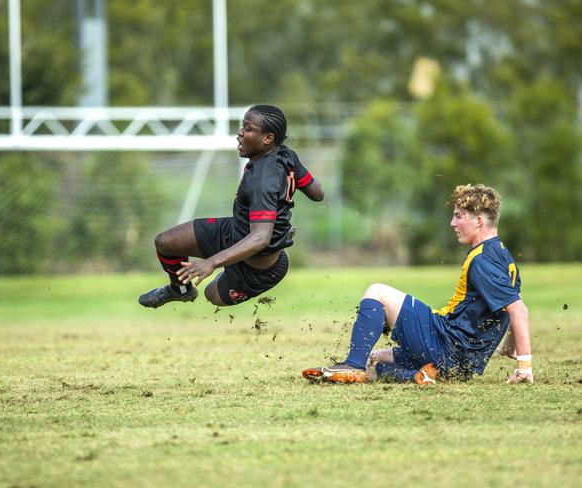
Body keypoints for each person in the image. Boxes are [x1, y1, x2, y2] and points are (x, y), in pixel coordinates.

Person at [302, 184, 533, 385]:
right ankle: (418, 374)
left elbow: (518, 310)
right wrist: (511, 346)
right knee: (374, 360)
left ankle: (353, 365)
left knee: (376, 291)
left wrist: (524, 367)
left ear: (479, 221)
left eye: (459, 216)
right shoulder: (502, 254)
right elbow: (515, 302)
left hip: (446, 344)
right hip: (460, 363)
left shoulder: (483, 260)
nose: (452, 223)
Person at [139, 104, 324, 308]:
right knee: (166, 242)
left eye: (248, 128)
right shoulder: (286, 156)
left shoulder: (263, 179)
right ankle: (180, 290)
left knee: (212, 294)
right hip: (234, 232)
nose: (240, 133)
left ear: (268, 138)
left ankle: (228, 267)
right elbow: (318, 193)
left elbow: (260, 238)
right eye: (242, 126)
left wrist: (211, 263)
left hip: (256, 270)